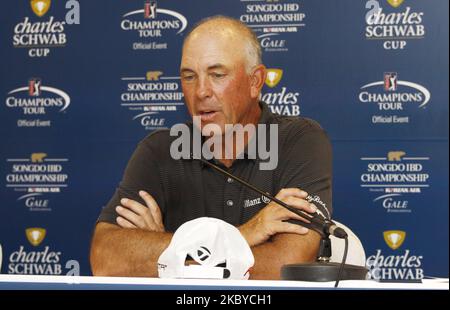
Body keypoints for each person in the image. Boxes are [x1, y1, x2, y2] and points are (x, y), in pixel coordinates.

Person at [90, 16, 333, 280]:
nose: (200, 92)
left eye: (217, 75)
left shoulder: (298, 140)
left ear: (255, 81)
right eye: (189, 76)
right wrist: (246, 233)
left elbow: (288, 265)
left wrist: (169, 251)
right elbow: (106, 258)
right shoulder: (158, 150)